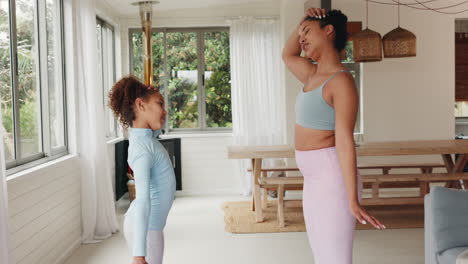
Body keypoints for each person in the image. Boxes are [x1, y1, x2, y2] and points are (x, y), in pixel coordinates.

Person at [282, 7, 385, 264]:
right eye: (300, 33)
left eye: (307, 32)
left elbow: (345, 142)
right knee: (322, 256)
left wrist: (352, 199)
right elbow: (287, 54)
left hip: (332, 177)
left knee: (335, 259)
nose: (301, 37)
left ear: (329, 31)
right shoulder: (311, 73)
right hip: (313, 178)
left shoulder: (341, 81)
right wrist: (303, 22)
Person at [108, 76, 176, 264]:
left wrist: (155, 118)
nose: (165, 110)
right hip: (145, 228)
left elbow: (152, 130)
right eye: (159, 103)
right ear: (140, 105)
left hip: (150, 226)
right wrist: (139, 254)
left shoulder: (146, 140)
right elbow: (142, 200)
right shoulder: (142, 149)